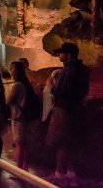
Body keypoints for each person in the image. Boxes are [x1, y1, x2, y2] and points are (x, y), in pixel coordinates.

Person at [45, 43, 90, 187]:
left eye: (61, 53)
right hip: (76, 110)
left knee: (61, 143)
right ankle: (71, 173)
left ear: (69, 55)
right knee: (70, 143)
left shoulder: (69, 71)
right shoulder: (83, 70)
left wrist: (51, 86)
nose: (59, 55)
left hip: (64, 111)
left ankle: (59, 175)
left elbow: (63, 93)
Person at [7, 61, 31, 171]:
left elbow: (8, 100)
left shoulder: (17, 85)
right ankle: (25, 167)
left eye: (12, 68)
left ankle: (18, 170)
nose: (10, 70)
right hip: (24, 116)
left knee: (19, 144)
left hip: (18, 117)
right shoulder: (25, 82)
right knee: (24, 144)